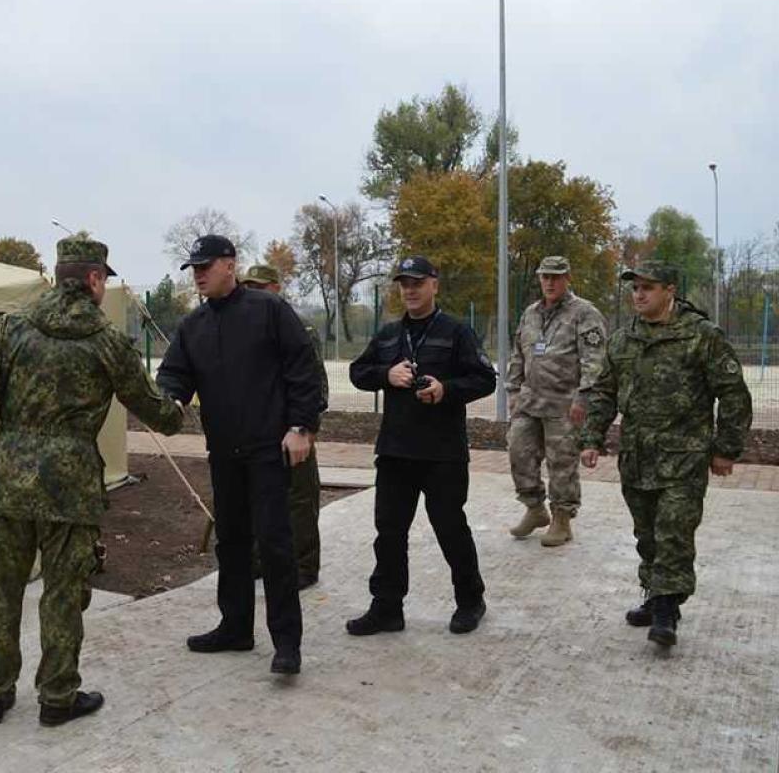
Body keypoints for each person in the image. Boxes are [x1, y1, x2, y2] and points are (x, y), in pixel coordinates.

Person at [0, 236, 184, 726]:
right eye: (104, 279)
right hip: (70, 486)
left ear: (59, 276)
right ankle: (56, 697)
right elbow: (149, 406)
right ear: (95, 279)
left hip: (8, 479)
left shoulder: (10, 328)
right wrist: (175, 413)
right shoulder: (108, 341)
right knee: (62, 592)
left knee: (2, 589)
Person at [157, 235, 324, 676]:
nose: (198, 274)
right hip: (224, 453)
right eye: (193, 268)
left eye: (205, 265)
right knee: (231, 542)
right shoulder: (193, 326)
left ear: (230, 264)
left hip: (270, 450)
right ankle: (235, 627)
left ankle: (287, 643)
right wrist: (168, 400)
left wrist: (301, 427)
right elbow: (173, 377)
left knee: (274, 543)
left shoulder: (268, 311)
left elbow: (303, 369)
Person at [580, 260, 751, 647]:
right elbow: (605, 392)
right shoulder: (624, 340)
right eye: (635, 288)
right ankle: (655, 593)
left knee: (673, 532)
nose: (639, 295)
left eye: (648, 288)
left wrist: (726, 449)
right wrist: (591, 438)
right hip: (637, 458)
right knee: (647, 535)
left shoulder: (702, 336)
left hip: (684, 458)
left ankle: (666, 611)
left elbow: (734, 394)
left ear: (669, 290)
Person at [345, 255, 496, 636]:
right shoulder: (389, 335)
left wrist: (446, 390)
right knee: (389, 532)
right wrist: (386, 374)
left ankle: (470, 600)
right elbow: (358, 372)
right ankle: (387, 608)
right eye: (404, 284)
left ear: (434, 284)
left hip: (442, 453)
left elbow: (484, 379)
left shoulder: (456, 331)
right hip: (396, 451)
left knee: (450, 527)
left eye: (417, 282)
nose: (410, 290)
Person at [506, 256, 607, 546]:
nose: (549, 282)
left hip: (565, 403)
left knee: (561, 463)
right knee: (518, 452)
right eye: (545, 276)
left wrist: (584, 399)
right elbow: (518, 353)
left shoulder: (584, 313)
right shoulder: (531, 313)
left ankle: (562, 520)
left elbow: (594, 362)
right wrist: (513, 390)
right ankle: (535, 509)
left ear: (567, 278)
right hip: (529, 400)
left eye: (556, 276)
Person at [239, 263, 329, 589]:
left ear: (276, 289)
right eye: (248, 287)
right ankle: (260, 561)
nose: (252, 293)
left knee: (301, 499)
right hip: (258, 430)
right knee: (258, 497)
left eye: (259, 287)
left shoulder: (299, 327)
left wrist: (307, 426)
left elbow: (315, 381)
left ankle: (304, 566)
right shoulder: (245, 326)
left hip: (294, 426)